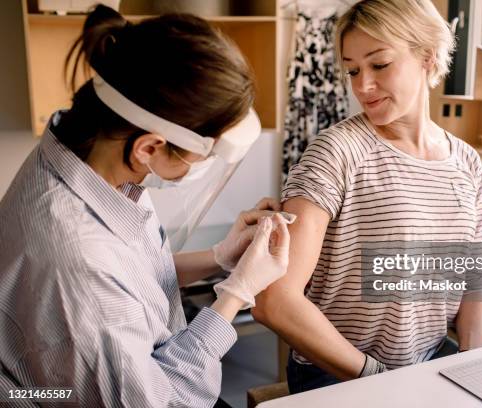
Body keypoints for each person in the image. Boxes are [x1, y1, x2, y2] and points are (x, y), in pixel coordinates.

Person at [0, 6, 290, 407]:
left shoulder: (89, 152)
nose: (199, 170)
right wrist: (236, 293)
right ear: (150, 147)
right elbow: (158, 401)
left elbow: (130, 278)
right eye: (200, 157)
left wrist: (220, 258)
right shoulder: (77, 264)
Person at [252, 0, 482, 394]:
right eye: (352, 70)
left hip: (431, 365)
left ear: (428, 58)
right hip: (340, 375)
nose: (362, 85)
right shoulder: (336, 152)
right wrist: (377, 381)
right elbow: (274, 300)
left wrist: (470, 365)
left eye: (379, 65)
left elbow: (475, 282)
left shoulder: (466, 162)